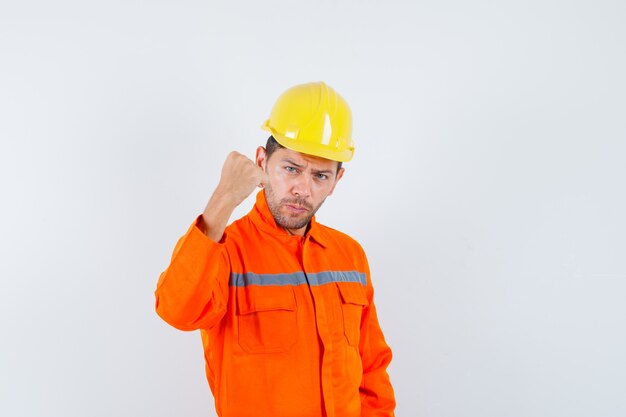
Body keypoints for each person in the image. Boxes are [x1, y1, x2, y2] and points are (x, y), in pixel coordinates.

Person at [155, 81, 395, 417]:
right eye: (291, 168)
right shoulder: (224, 249)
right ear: (261, 161)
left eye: (320, 176)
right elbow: (176, 311)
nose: (302, 189)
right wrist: (223, 199)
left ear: (337, 181)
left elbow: (372, 372)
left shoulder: (349, 256)